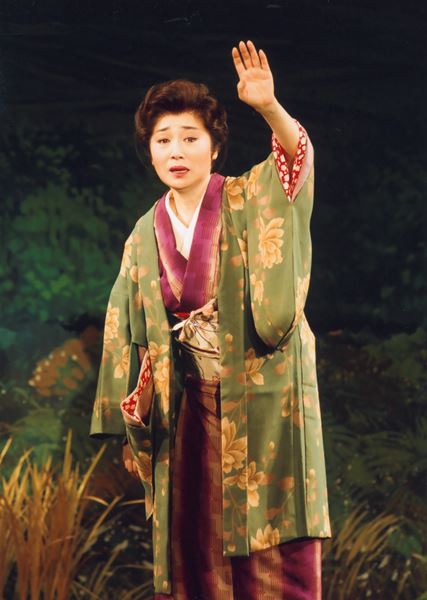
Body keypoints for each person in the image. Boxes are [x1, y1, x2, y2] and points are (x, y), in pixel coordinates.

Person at [90, 40, 331, 599]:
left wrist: (268, 107)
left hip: (261, 399)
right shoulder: (143, 234)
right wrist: (132, 424)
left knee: (273, 540)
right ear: (150, 152)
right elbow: (126, 329)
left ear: (215, 148)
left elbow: (293, 167)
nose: (176, 151)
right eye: (163, 140)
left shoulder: (247, 200)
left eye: (190, 138)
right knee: (195, 541)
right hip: (186, 407)